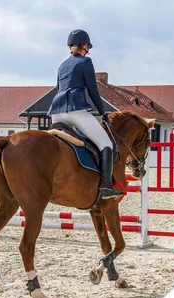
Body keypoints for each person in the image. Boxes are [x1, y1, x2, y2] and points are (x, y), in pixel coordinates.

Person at [48, 29, 122, 200]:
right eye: (88, 45)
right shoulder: (85, 62)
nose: (88, 49)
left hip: (56, 114)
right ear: (84, 46)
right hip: (76, 111)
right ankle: (105, 187)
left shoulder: (62, 65)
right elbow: (93, 91)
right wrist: (103, 113)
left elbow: (59, 89)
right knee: (106, 145)